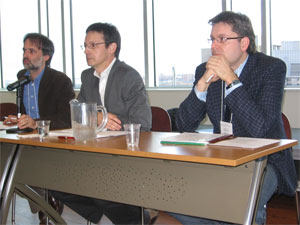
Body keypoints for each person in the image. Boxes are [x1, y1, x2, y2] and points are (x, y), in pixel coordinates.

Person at [170, 11, 298, 225]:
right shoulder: (205, 70)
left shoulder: (271, 68)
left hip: (264, 160)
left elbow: (260, 129)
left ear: (244, 42)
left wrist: (230, 78)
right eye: (212, 39)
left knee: (238, 208)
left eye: (222, 39)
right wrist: (201, 86)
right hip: (221, 157)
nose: (214, 46)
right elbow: (183, 124)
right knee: (176, 200)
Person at [51, 22, 156, 225]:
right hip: (94, 153)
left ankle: (137, 218)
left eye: (93, 45)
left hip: (124, 155)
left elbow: (143, 124)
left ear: (111, 47)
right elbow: (76, 110)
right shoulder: (87, 77)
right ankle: (105, 218)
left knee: (99, 188)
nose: (86, 51)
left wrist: (103, 118)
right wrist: (96, 116)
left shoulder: (128, 76)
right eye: (85, 46)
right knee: (55, 181)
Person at [4, 33, 75, 224]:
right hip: (30, 139)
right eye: (24, 50)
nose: (25, 55)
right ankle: (46, 204)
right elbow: (28, 112)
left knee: (28, 164)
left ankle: (47, 205)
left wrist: (37, 122)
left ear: (46, 56)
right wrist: (18, 119)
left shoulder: (61, 81)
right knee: (12, 161)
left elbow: (67, 119)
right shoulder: (22, 78)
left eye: (32, 51)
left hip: (54, 139)